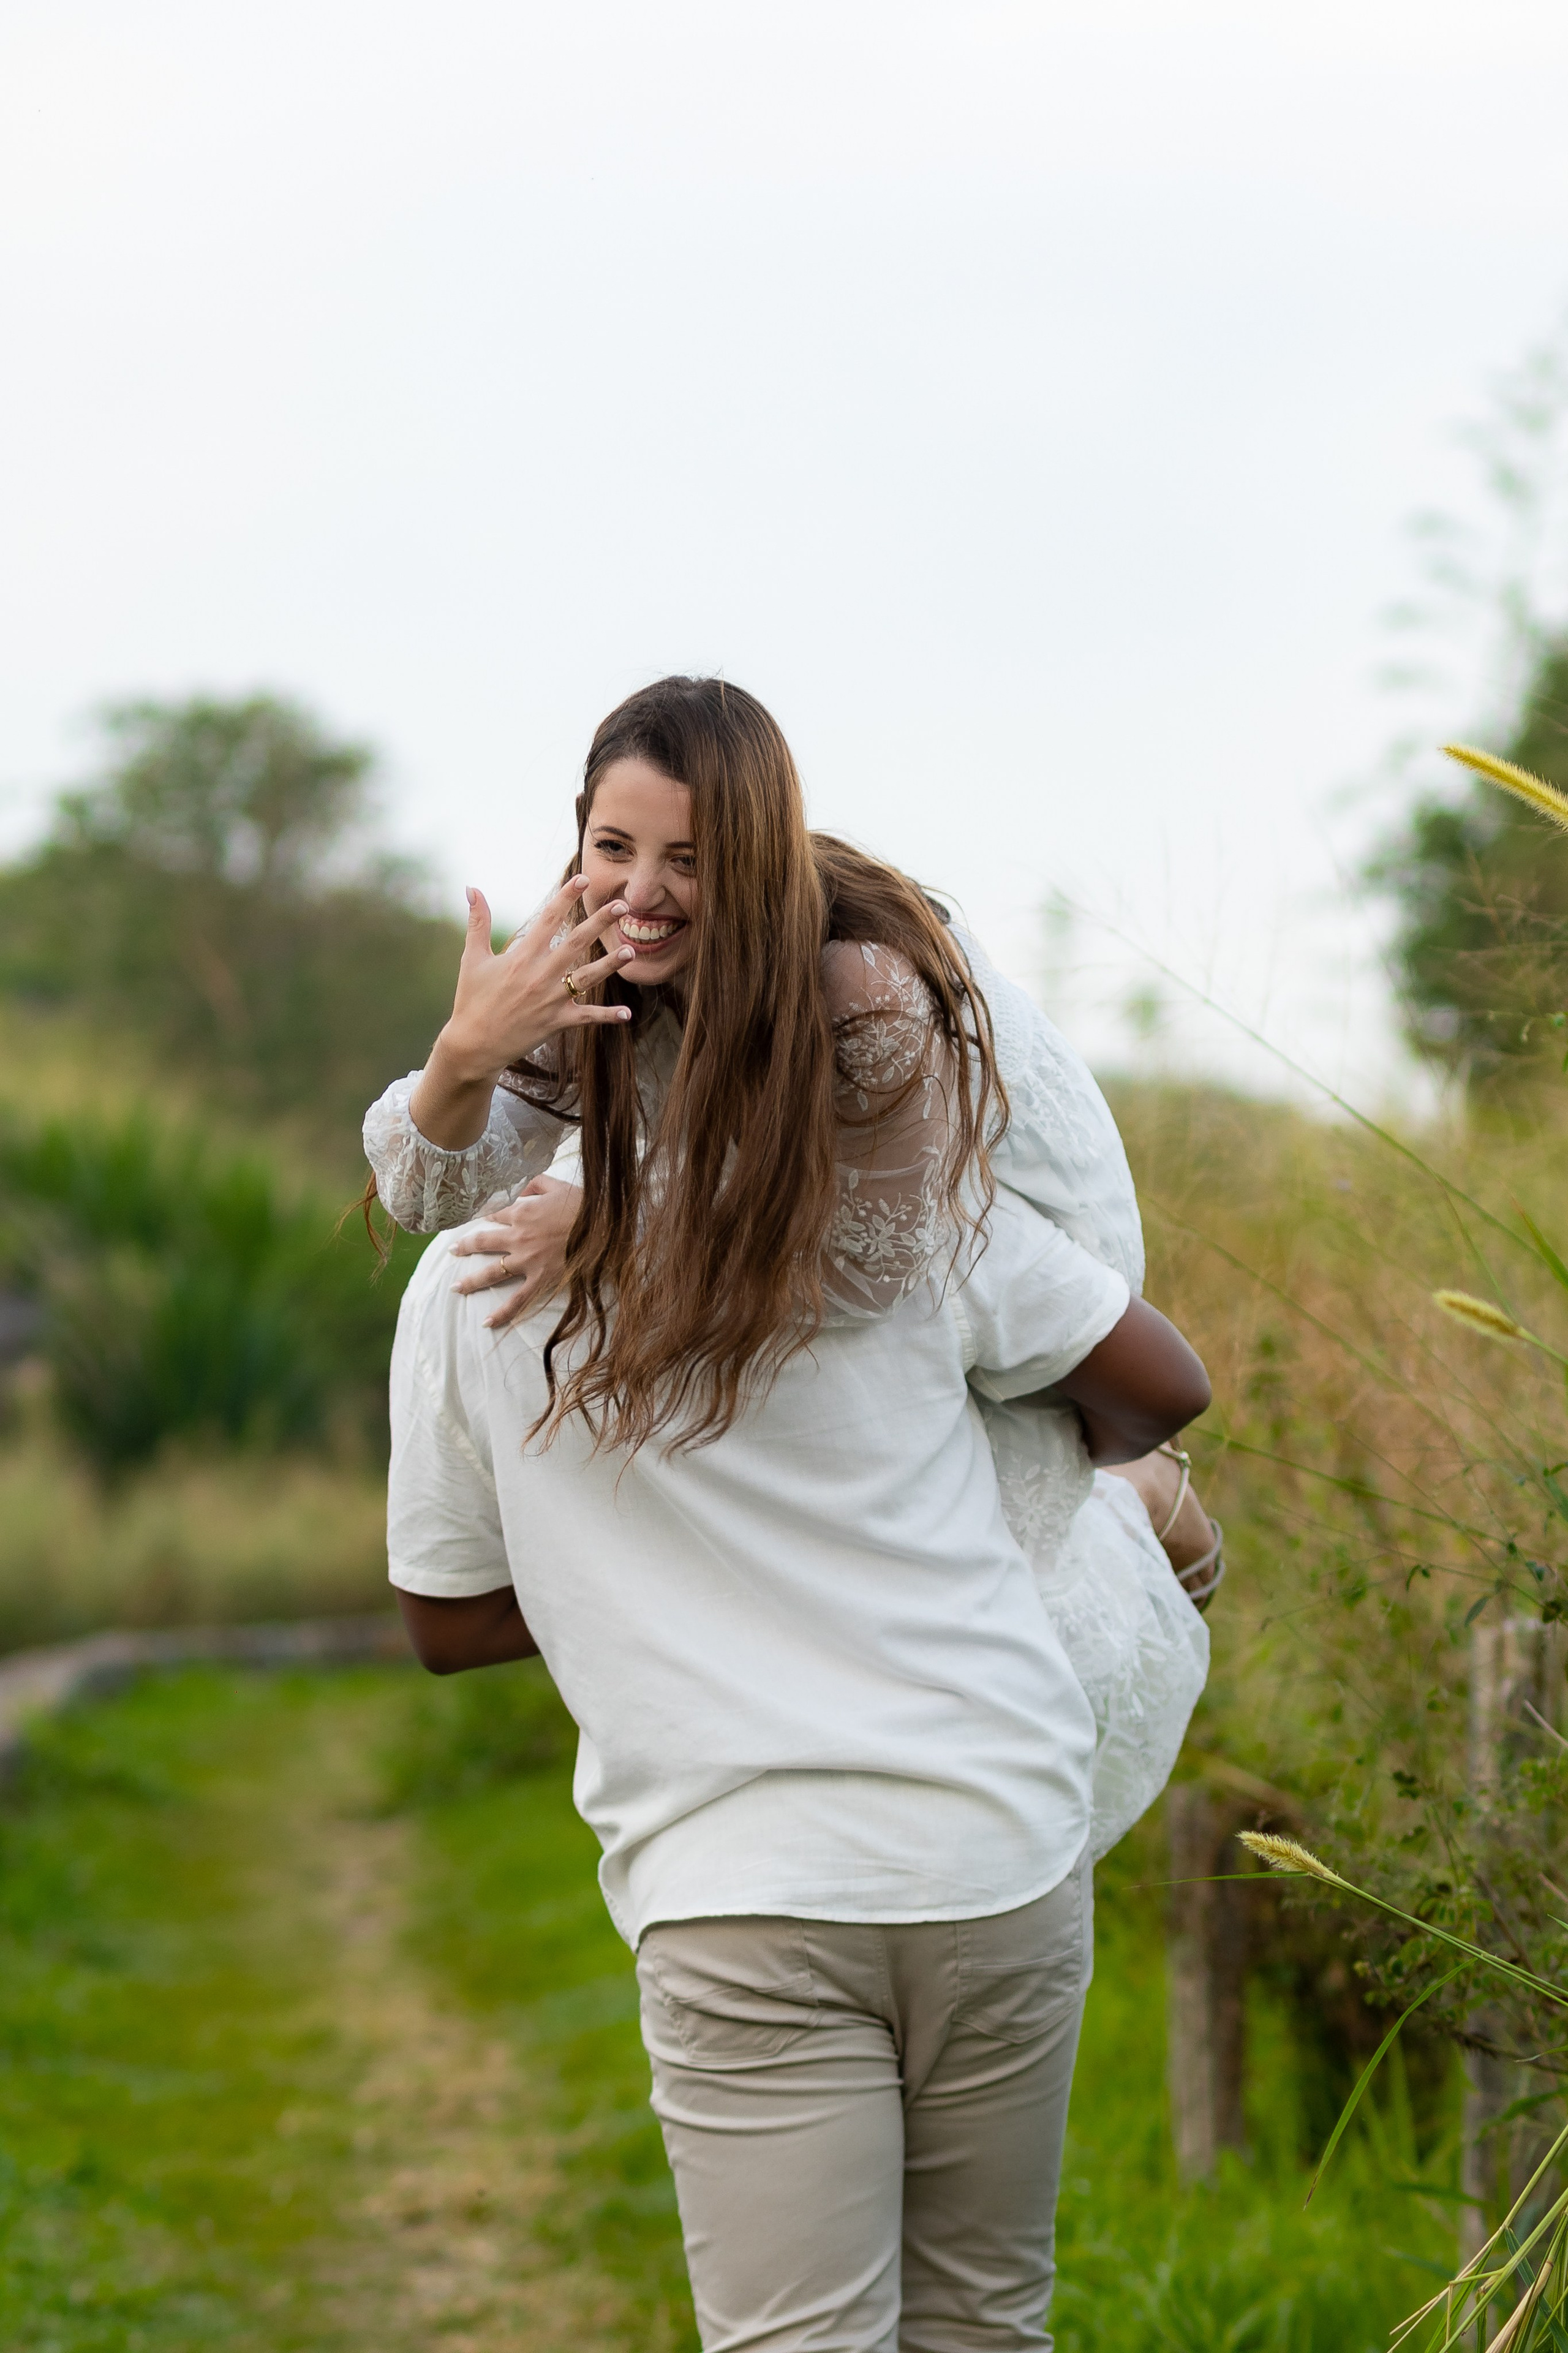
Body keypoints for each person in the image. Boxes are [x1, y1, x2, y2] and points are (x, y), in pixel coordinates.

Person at [372, 676, 1212, 2350]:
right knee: (985, 2330)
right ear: (566, 871)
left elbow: (452, 1619)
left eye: (684, 856)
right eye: (608, 849)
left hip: (752, 1881)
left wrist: (613, 1259)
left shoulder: (858, 1043)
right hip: (992, 1829)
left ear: (761, 867)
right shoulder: (934, 1232)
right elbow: (1159, 1379)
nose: (638, 889)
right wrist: (1078, 1481)